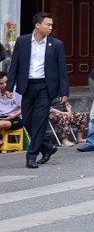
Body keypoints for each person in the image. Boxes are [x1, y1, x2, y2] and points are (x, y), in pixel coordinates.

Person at [8, 12, 69, 168]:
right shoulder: (22, 42)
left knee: (40, 121)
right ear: (37, 25)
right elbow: (14, 65)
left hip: (45, 88)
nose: (50, 27)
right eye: (47, 24)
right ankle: (47, 147)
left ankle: (32, 156)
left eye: (51, 25)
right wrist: (9, 87)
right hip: (27, 86)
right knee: (27, 120)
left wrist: (64, 92)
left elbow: (62, 70)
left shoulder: (56, 44)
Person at [0, 72, 23, 149]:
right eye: (1, 83)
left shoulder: (16, 90)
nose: (5, 85)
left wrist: (14, 115)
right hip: (2, 117)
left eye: (6, 82)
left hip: (16, 118)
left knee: (1, 124)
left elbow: (24, 108)